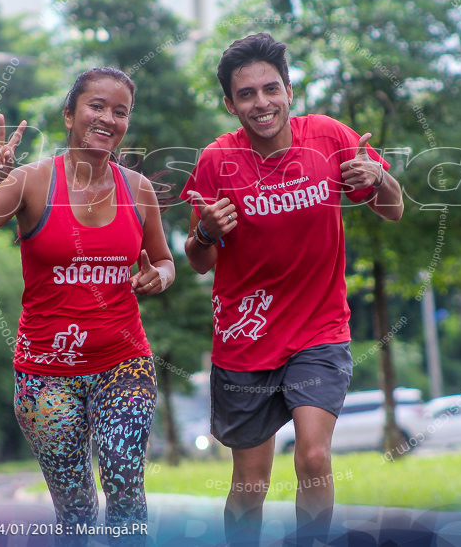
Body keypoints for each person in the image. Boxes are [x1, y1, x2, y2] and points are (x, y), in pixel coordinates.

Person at [180, 33, 403, 546]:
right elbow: (198, 261)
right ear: (230, 103)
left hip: (318, 330)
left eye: (270, 89)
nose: (262, 103)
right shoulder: (217, 161)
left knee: (315, 457)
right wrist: (207, 231)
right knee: (250, 485)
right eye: (247, 94)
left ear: (289, 92)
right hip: (247, 336)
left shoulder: (328, 136)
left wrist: (379, 177)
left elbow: (392, 208)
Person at [0, 68, 174, 544]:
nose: (108, 117)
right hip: (45, 373)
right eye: (96, 106)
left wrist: (159, 276)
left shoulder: (139, 190)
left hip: (123, 363)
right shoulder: (30, 182)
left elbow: (165, 260)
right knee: (76, 511)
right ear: (69, 115)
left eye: (120, 111)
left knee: (125, 483)